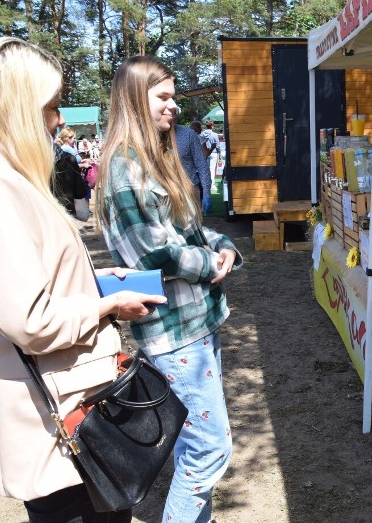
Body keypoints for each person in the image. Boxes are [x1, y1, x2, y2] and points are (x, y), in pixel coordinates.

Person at [0, 37, 165, 522]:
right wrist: (108, 305)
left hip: (71, 412)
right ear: (16, 108)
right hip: (56, 424)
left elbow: (32, 280)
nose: (58, 120)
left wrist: (95, 276)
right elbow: (29, 319)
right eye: (52, 107)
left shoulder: (7, 180)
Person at [95, 55, 241, 523]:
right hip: (174, 334)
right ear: (136, 99)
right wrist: (209, 265)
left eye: (174, 96)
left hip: (198, 322)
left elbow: (191, 229)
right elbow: (152, 253)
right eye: (164, 96)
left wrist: (226, 248)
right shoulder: (123, 168)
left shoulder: (157, 159)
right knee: (209, 447)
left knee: (193, 443)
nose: (174, 106)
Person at [176, 123, 213, 214]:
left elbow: (201, 163)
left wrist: (206, 194)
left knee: (191, 225)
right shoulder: (149, 135)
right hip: (162, 192)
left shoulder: (189, 134)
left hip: (189, 189)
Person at [200, 119, 221, 192]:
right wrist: (219, 154)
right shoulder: (214, 134)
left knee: (205, 169)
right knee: (212, 170)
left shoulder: (202, 134)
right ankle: (212, 185)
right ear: (212, 126)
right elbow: (217, 145)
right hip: (213, 153)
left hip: (204, 153)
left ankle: (205, 184)